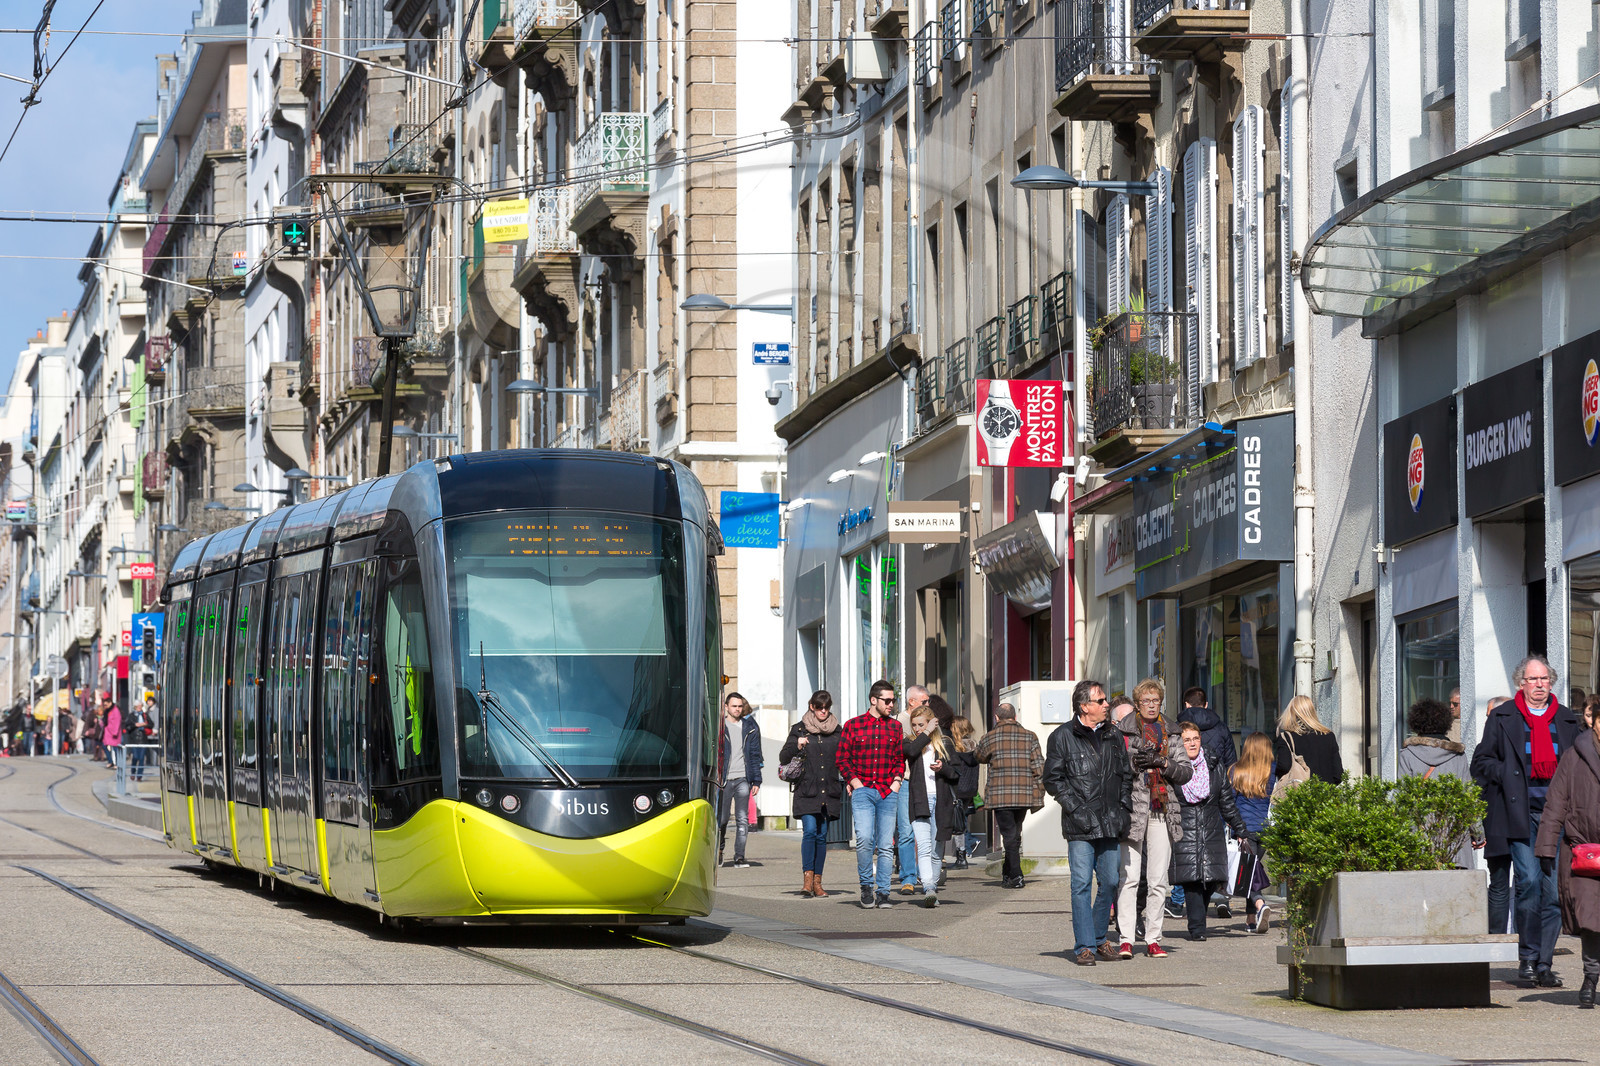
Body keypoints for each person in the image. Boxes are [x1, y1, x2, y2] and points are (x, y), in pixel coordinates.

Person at [1472, 654, 1583, 987]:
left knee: (1552, 893)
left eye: (1545, 680)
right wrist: (1506, 773)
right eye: (1533, 680)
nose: (1539, 686)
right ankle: (1527, 957)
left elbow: (1579, 766)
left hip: (1556, 816)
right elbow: (1481, 763)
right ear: (1521, 683)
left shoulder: (1565, 720)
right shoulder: (1503, 717)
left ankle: (1544, 963)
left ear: (1552, 683)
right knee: (1529, 885)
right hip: (1518, 814)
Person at [1044, 679, 1134, 967]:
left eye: (1105, 700)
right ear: (1084, 706)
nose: (1107, 704)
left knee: (1109, 881)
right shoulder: (1061, 736)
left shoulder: (1114, 735)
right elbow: (1053, 779)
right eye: (1101, 700)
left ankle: (1098, 938)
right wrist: (1077, 811)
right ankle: (1084, 945)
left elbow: (1125, 775)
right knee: (1081, 883)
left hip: (1110, 820)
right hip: (1080, 823)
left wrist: (1123, 809)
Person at [1113, 677, 1192, 959]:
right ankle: (1125, 939)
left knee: (1159, 880)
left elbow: (1186, 772)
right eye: (1145, 701)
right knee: (1129, 878)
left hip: (1162, 810)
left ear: (1161, 703)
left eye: (1155, 701)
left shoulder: (1172, 733)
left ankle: (1153, 938)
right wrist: (1134, 763)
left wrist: (1163, 763)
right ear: (1136, 704)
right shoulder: (1122, 732)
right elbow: (1114, 769)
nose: (1150, 705)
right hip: (1133, 811)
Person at [1534, 705, 1600, 1008]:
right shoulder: (1574, 757)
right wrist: (1546, 848)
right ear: (1594, 723)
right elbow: (1556, 803)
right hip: (1586, 855)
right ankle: (1590, 977)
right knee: (1590, 919)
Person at [1170, 721, 1250, 941]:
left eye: (1195, 738)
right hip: (1184, 831)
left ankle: (1198, 923)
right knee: (1193, 882)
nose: (1192, 743)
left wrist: (1241, 830)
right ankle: (1197, 928)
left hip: (1212, 830)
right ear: (1179, 742)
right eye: (1187, 739)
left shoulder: (1215, 766)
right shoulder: (1173, 767)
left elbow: (1227, 802)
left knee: (1212, 880)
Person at [837, 680, 907, 908]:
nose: (891, 705)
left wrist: (897, 781)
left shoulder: (895, 727)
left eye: (893, 700)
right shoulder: (853, 725)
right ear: (873, 700)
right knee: (865, 839)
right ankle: (866, 887)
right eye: (887, 700)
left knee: (886, 845)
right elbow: (842, 758)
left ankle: (884, 892)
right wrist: (855, 782)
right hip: (863, 790)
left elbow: (899, 759)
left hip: (888, 791)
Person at [1397, 697, 1486, 869]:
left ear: (1416, 723)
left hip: (1420, 835)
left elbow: (1403, 799)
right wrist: (1478, 834)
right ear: (1446, 723)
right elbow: (1468, 798)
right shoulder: (1458, 755)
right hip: (1455, 836)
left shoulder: (1407, 755)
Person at [974, 701, 1044, 889]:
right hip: (1023, 794)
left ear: (997, 717)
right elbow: (1039, 766)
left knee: (1010, 836)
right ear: (1015, 717)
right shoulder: (1030, 736)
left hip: (1000, 795)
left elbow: (979, 757)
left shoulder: (990, 737)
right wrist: (1040, 790)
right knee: (1015, 834)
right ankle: (1008, 874)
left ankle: (1016, 876)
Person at [779, 690, 842, 898]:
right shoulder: (799, 729)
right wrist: (797, 745)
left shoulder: (836, 730)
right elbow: (784, 756)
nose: (823, 711)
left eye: (826, 707)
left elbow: (845, 757)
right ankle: (807, 880)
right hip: (807, 790)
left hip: (828, 790)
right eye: (818, 707)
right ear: (811, 706)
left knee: (822, 836)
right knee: (810, 831)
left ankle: (818, 882)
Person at [904, 706, 959, 907]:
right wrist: (927, 733)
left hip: (941, 801)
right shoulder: (911, 743)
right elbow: (909, 752)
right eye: (915, 725)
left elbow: (956, 773)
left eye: (922, 724)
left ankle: (933, 887)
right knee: (924, 847)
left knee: (937, 849)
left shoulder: (944, 743)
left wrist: (942, 768)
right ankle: (928, 887)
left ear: (930, 722)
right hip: (919, 800)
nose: (917, 729)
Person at [1231, 732, 1276, 933]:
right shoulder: (1273, 771)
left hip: (1245, 829)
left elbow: (1228, 803)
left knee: (1249, 874)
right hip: (1266, 829)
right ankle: (1251, 919)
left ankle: (1259, 904)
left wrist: (1232, 826)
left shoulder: (1236, 770)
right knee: (1252, 871)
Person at [717, 692, 762, 868]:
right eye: (734, 706)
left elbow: (755, 755)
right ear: (726, 707)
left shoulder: (750, 727)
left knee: (743, 819)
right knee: (722, 819)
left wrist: (756, 780)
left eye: (739, 706)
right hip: (724, 780)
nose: (737, 709)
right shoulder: (720, 727)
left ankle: (739, 857)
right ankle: (719, 851)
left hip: (743, 778)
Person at [894, 685, 931, 893]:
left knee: (926, 830)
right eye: (924, 701)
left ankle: (925, 874)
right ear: (912, 702)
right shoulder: (899, 723)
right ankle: (908, 877)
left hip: (927, 779)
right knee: (907, 831)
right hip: (907, 780)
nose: (928, 705)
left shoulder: (930, 720)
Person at [1483, 695, 1515, 935]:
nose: (1488, 719)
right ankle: (1500, 939)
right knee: (1501, 884)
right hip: (1496, 824)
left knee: (1506, 885)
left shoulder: (1485, 752)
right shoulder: (1485, 752)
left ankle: (1505, 939)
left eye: (1492, 714)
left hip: (1502, 823)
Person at [1274, 695, 1343, 785]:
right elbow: (1338, 774)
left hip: (1299, 794)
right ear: (1312, 712)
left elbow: (1284, 766)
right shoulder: (1328, 735)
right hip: (1326, 794)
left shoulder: (1286, 737)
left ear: (1291, 713)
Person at [947, 717, 980, 869]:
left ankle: (961, 857)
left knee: (957, 824)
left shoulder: (954, 749)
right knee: (962, 822)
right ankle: (962, 855)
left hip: (957, 790)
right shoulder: (974, 746)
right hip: (969, 791)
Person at [1180, 687, 1236, 769]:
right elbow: (1231, 763)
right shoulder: (1222, 728)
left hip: (1186, 779)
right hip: (1217, 779)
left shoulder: (1177, 728)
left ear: (1187, 705)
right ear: (1206, 705)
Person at [127, 697, 158, 783]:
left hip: (143, 739)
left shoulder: (145, 715)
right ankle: (133, 772)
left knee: (141, 758)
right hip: (134, 740)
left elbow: (151, 724)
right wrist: (135, 725)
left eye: (141, 706)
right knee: (135, 757)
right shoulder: (131, 716)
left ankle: (139, 776)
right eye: (138, 706)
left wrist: (145, 725)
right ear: (135, 707)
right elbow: (127, 727)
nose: (139, 707)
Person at [102, 697, 122, 772]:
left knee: (115, 748)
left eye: (106, 705)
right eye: (104, 705)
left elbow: (117, 721)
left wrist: (115, 732)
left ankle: (116, 763)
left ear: (110, 703)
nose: (105, 706)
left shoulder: (115, 710)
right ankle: (110, 761)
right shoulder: (108, 710)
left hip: (113, 732)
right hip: (107, 732)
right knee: (104, 745)